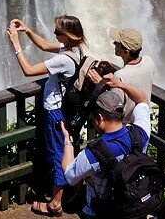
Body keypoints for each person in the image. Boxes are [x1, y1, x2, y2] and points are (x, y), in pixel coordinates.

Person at [7, 15, 88, 216]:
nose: (54, 34)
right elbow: (43, 45)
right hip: (66, 110)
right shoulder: (76, 50)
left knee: (57, 155)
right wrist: (27, 31)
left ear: (67, 35)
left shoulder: (63, 59)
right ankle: (75, 192)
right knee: (66, 150)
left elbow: (28, 70)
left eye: (57, 32)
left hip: (56, 112)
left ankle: (55, 203)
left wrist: (16, 44)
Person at [60, 74, 153, 217]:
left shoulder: (93, 153)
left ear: (99, 118)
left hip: (100, 212)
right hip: (133, 206)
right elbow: (142, 100)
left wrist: (67, 140)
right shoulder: (140, 134)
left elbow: (70, 176)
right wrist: (119, 84)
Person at [108, 27, 156, 124]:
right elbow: (135, 75)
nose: (114, 44)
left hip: (126, 127)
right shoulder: (149, 62)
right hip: (142, 122)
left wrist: (99, 82)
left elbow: (113, 106)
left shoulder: (120, 76)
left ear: (126, 52)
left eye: (117, 43)